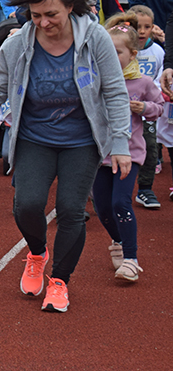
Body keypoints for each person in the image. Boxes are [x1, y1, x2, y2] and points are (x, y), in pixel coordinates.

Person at [0, 0, 132, 313]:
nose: (44, 22)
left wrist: (120, 143)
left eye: (52, 15)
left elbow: (115, 91)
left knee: (70, 209)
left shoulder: (94, 38)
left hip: (82, 140)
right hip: (35, 136)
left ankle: (60, 281)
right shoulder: (18, 44)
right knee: (28, 205)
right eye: (36, 16)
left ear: (70, 7)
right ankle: (37, 252)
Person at [92, 19, 162, 282]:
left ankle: (131, 259)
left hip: (130, 153)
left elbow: (158, 108)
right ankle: (118, 241)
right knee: (102, 206)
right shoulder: (96, 80)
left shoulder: (142, 83)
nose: (112, 57)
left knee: (120, 202)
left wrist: (144, 109)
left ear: (132, 54)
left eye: (118, 52)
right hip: (101, 154)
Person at [130, 5, 165, 209]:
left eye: (147, 27)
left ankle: (145, 189)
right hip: (122, 112)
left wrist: (150, 102)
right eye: (137, 26)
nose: (142, 31)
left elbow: (160, 78)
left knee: (151, 149)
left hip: (146, 112)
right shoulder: (120, 49)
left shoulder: (157, 51)